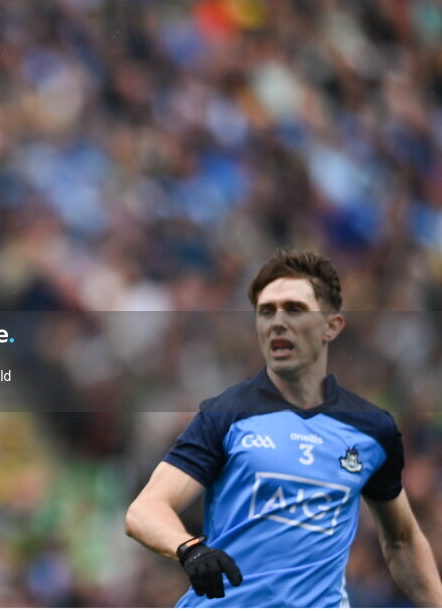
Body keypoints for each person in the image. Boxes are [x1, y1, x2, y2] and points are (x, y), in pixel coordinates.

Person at [125, 250, 442, 607]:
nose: (277, 322)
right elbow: (145, 511)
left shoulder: (371, 429)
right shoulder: (227, 414)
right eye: (266, 311)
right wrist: (189, 549)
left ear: (331, 326)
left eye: (294, 309)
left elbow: (401, 539)